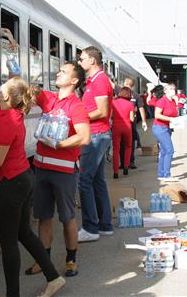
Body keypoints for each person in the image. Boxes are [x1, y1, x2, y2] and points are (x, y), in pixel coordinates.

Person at [0, 38, 66, 297]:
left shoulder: (7, 120)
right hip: (19, 178)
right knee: (23, 234)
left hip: (8, 183)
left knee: (9, 243)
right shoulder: (6, 108)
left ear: (6, 95)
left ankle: (13, 295)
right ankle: (53, 277)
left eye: (3, 86)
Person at [25, 61, 90, 278]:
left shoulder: (76, 106)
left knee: (67, 218)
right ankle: (43, 261)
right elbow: (27, 92)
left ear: (74, 80)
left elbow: (84, 136)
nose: (58, 73)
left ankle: (71, 260)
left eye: (64, 71)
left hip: (64, 171)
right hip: (42, 167)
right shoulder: (49, 98)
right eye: (59, 70)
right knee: (43, 217)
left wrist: (59, 144)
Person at [76, 46, 113, 243]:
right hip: (97, 135)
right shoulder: (95, 81)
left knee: (84, 181)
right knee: (97, 181)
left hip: (96, 136)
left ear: (92, 60)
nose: (79, 62)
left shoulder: (99, 81)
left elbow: (102, 111)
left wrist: (78, 118)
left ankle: (90, 227)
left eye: (82, 59)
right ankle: (105, 225)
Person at [152, 84, 179, 180]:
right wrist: (170, 119)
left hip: (167, 128)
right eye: (171, 89)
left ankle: (161, 174)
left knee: (164, 151)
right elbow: (157, 115)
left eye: (174, 89)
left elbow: (175, 113)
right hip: (160, 128)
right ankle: (167, 175)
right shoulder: (162, 101)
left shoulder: (172, 101)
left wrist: (176, 102)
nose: (173, 90)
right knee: (169, 150)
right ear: (165, 91)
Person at [120, 77, 148, 170]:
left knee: (123, 144)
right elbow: (141, 109)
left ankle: (124, 162)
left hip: (123, 122)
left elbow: (140, 108)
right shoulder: (135, 95)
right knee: (129, 143)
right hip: (131, 122)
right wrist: (144, 121)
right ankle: (130, 161)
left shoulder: (122, 93)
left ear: (125, 83)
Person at [111, 87, 135, 179]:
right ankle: (126, 167)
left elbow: (111, 115)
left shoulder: (113, 102)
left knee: (116, 149)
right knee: (128, 147)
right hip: (127, 127)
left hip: (116, 127)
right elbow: (132, 119)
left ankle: (116, 172)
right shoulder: (130, 104)